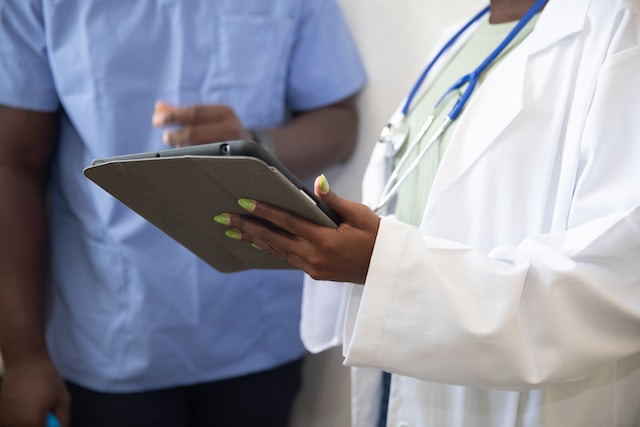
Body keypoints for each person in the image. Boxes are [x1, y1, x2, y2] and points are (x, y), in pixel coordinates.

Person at [215, 0, 640, 425]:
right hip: (397, 364)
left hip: (510, 396)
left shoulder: (618, 28)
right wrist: (336, 240)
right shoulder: (456, 40)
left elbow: (616, 275)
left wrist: (385, 266)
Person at [0, 1, 365, 426]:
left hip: (258, 328)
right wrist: (22, 357)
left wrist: (256, 144)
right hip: (113, 334)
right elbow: (13, 164)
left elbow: (340, 119)